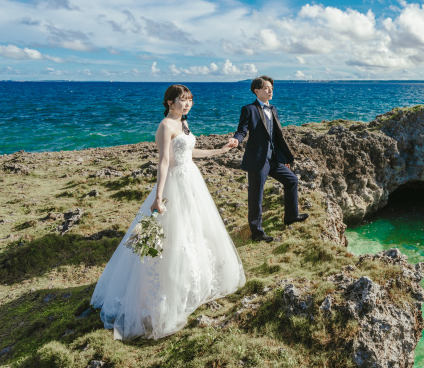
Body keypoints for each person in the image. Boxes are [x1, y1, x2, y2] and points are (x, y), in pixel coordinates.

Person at [91, 84, 245, 340]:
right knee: (173, 237)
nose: (187, 104)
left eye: (190, 100)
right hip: (174, 184)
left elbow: (189, 153)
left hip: (191, 182)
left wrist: (220, 150)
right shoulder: (165, 126)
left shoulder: (184, 124)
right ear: (169, 103)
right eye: (182, 100)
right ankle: (162, 292)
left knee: (195, 232)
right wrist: (159, 195)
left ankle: (192, 284)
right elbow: (164, 160)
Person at [228, 76, 308, 243]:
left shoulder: (273, 109)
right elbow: (242, 130)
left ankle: (291, 216)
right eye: (266, 88)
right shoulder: (248, 109)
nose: (270, 90)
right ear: (257, 91)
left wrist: (282, 156)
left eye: (271, 87)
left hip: (273, 159)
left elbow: (276, 135)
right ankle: (257, 233)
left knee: (292, 180)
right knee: (256, 196)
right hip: (258, 160)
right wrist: (237, 139)